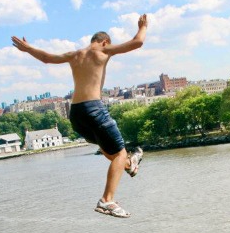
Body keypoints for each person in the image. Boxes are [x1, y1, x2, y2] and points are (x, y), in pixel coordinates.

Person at [12, 14, 148, 218]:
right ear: (104, 41)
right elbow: (138, 42)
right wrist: (143, 26)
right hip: (94, 108)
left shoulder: (75, 54)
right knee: (119, 154)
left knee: (108, 151)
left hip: (76, 114)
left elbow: (47, 58)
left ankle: (132, 163)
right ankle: (107, 200)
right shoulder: (102, 49)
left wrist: (28, 48)